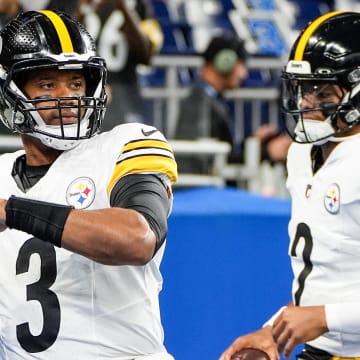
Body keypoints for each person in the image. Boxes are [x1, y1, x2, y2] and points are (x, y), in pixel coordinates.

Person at [0, 9, 177, 359]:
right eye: (48, 84)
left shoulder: (127, 144)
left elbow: (137, 239)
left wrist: (13, 211)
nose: (68, 98)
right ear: (12, 92)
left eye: (77, 83)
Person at [220, 10, 360, 360]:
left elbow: (323, 313)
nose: (307, 104)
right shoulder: (302, 155)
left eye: (323, 91)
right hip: (324, 350)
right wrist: (274, 330)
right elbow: (323, 284)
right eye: (303, 89)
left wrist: (326, 318)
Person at [75, 0, 164, 130]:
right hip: (85, 94)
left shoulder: (140, 5)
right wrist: (81, 11)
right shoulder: (75, 3)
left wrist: (124, 8)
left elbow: (145, 55)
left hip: (124, 94)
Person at [174, 32, 248, 174]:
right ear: (225, 61)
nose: (243, 74)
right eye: (241, 65)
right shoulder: (198, 103)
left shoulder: (208, 100)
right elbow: (195, 161)